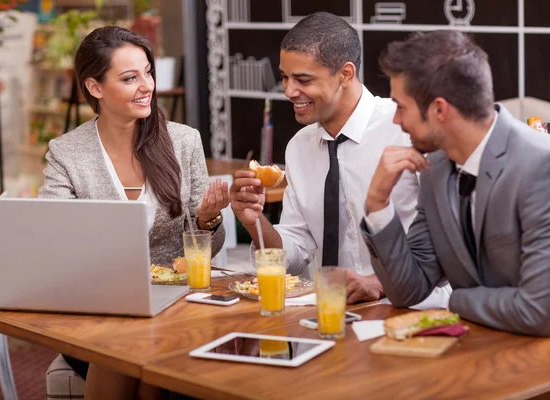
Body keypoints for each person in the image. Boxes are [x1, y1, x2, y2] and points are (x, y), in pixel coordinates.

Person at [38, 26, 229, 399]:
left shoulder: (183, 140)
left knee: (143, 357)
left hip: (177, 307)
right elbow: (53, 239)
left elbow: (209, 249)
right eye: (130, 78)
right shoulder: (66, 152)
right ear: (95, 88)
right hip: (100, 311)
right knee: (128, 352)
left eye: (148, 72)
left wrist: (207, 219)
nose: (147, 86)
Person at [230, 12, 450, 305]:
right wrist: (254, 222)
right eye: (284, 77)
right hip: (327, 314)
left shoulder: (407, 129)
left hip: (408, 311)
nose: (288, 91)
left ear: (345, 74)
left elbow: (449, 236)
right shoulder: (300, 147)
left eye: (302, 79)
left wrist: (380, 282)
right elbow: (293, 256)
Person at [361, 30, 550, 336]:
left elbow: (540, 311)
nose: (396, 120)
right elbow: (409, 291)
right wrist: (377, 204)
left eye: (400, 106)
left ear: (439, 110)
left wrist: (455, 299)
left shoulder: (540, 166)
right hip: (475, 353)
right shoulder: (435, 168)